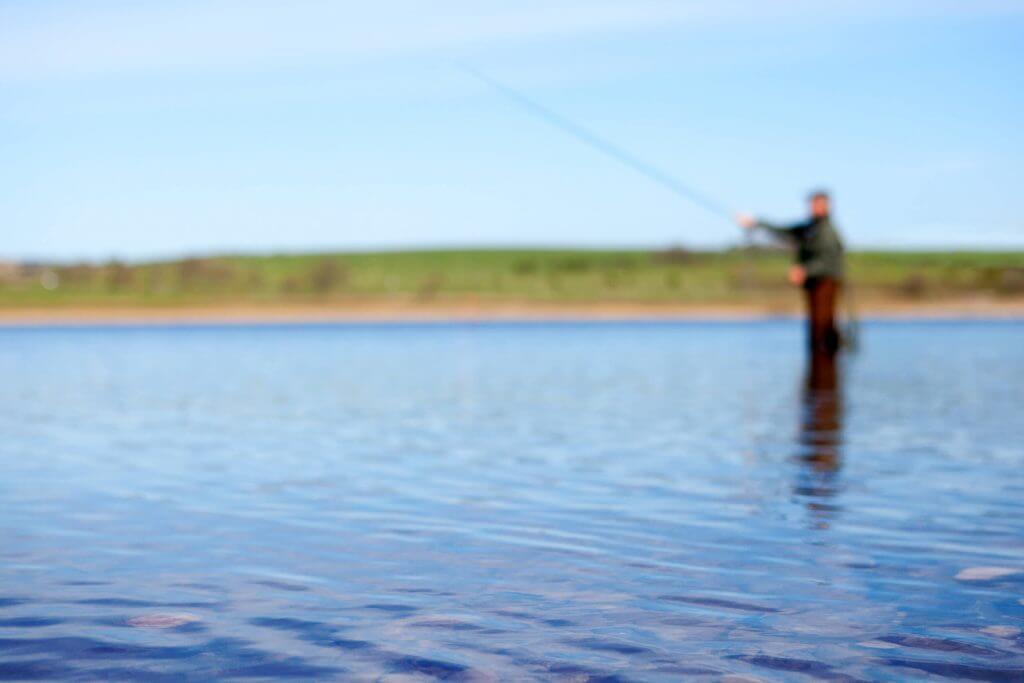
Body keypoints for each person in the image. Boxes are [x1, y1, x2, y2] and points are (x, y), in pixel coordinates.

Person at [736, 191, 846, 355]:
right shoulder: (811, 227)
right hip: (814, 283)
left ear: (826, 206)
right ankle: (820, 366)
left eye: (817, 204)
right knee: (817, 325)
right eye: (812, 204)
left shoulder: (827, 231)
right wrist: (756, 223)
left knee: (822, 326)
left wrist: (805, 270)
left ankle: (824, 369)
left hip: (826, 282)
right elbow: (784, 231)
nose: (813, 207)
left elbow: (828, 260)